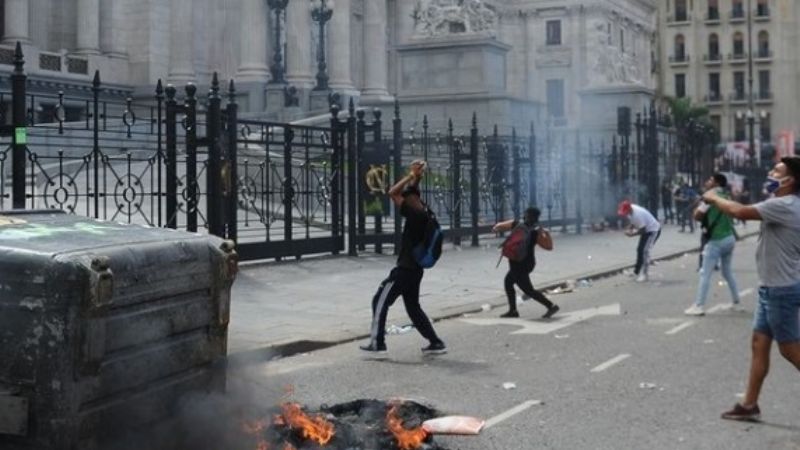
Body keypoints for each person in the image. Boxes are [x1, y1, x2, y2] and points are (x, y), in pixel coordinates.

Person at [702, 156, 800, 422]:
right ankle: (749, 405)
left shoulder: (786, 205)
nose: (770, 171)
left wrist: (713, 198)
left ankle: (749, 404)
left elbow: (738, 211)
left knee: (791, 350)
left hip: (782, 289)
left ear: (790, 180)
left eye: (777, 170)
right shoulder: (780, 203)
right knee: (759, 344)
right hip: (771, 289)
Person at [360, 160, 447, 357]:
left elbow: (392, 192)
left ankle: (378, 343)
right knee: (413, 308)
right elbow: (410, 193)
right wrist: (417, 177)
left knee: (379, 301)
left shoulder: (414, 214)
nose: (401, 203)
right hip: (415, 270)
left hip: (405, 270)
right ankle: (436, 342)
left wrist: (409, 175)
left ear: (408, 201)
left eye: (404, 201)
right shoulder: (424, 211)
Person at [684, 173, 742, 316]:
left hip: (716, 240)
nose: (707, 181)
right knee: (727, 272)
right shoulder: (727, 196)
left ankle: (699, 305)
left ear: (716, 183)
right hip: (729, 238)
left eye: (710, 179)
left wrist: (697, 207)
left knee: (705, 274)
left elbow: (697, 216)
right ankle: (737, 302)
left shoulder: (710, 198)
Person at [492, 207, 560, 319]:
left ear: (526, 215)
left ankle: (551, 306)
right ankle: (513, 311)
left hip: (517, 264)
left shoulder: (516, 224)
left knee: (528, 290)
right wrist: (547, 234)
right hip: (528, 263)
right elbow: (549, 247)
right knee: (508, 282)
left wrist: (495, 228)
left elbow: (499, 226)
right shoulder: (535, 231)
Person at [618, 200, 661, 282]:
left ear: (629, 209)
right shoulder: (631, 210)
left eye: (626, 212)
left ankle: (645, 274)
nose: (625, 214)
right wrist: (630, 228)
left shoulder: (637, 214)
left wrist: (632, 235)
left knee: (645, 251)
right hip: (647, 230)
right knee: (639, 249)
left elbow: (643, 230)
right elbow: (633, 222)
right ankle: (636, 272)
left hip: (653, 230)